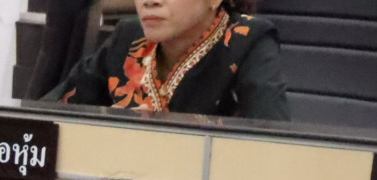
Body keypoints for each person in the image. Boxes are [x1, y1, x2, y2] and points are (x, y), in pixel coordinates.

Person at [46, 0, 290, 121]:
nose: (149, 2)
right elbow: (47, 113)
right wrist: (108, 120)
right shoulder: (128, 36)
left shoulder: (248, 40)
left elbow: (273, 144)